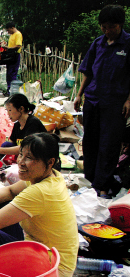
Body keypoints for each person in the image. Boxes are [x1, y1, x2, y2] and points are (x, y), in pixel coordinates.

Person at [0, 133, 78, 277]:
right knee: (4, 203)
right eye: (20, 155)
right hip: (40, 250)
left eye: (29, 158)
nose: (20, 162)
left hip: (54, 272)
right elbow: (9, 191)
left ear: (50, 162)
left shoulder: (41, 191)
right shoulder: (50, 176)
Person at [74, 5, 130, 199]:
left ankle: (103, 186)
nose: (106, 31)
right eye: (103, 27)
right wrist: (79, 94)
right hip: (93, 99)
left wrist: (129, 101)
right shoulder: (98, 43)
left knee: (109, 144)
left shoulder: (128, 44)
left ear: (119, 25)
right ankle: (90, 180)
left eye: (110, 27)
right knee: (90, 141)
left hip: (115, 103)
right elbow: (88, 72)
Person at [4, 22, 23, 95]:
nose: (8, 32)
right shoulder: (12, 35)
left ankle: (12, 90)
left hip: (15, 55)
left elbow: (18, 45)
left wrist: (9, 48)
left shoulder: (18, 34)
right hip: (10, 55)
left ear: (12, 28)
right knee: (8, 73)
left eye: (8, 30)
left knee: (12, 73)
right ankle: (9, 89)